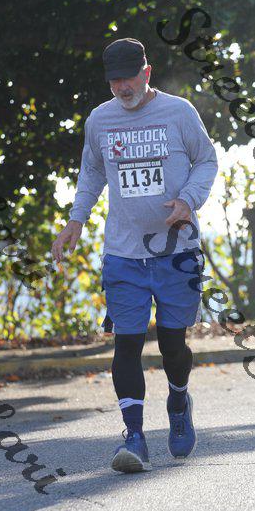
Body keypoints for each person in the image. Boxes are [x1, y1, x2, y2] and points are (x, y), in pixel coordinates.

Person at [52, 38, 218, 474]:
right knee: (126, 343)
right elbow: (92, 171)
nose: (122, 88)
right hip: (123, 254)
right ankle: (135, 437)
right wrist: (76, 220)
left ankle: (178, 400)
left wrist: (189, 200)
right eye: (115, 81)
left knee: (172, 346)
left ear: (147, 72)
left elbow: (206, 160)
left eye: (129, 78)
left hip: (176, 252)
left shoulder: (179, 112)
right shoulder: (100, 120)